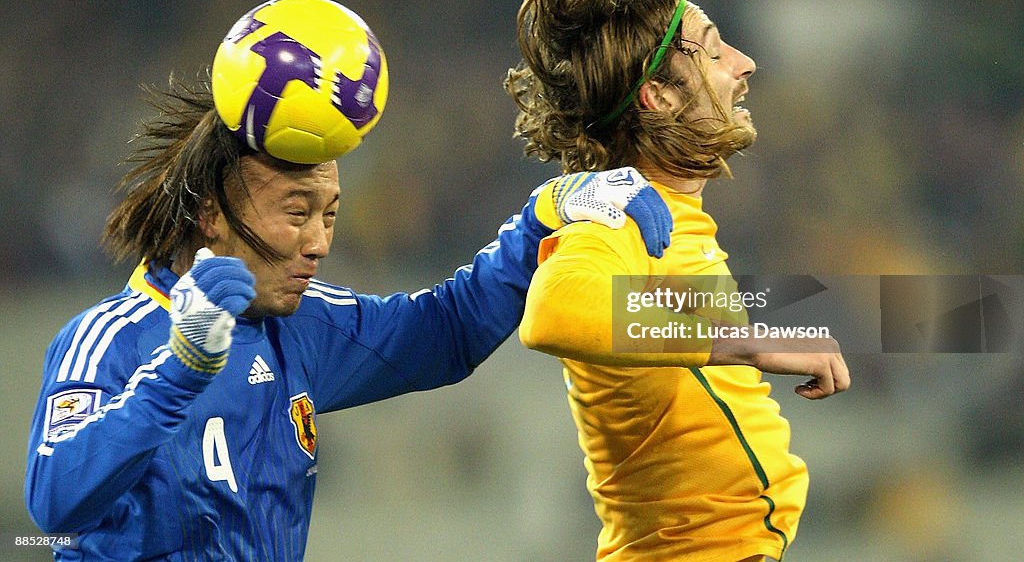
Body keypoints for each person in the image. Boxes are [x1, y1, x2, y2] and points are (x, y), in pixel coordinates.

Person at [24, 68, 674, 561]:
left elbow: (443, 331)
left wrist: (542, 218)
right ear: (211, 214)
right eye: (297, 212)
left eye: (330, 214)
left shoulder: (300, 325)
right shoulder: (109, 339)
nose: (320, 242)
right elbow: (53, 502)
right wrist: (181, 370)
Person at [505, 0, 850, 562]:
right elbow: (553, 311)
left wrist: (794, 318)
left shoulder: (678, 218)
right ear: (658, 95)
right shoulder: (613, 212)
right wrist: (757, 335)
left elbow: (702, 318)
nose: (745, 64)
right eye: (716, 48)